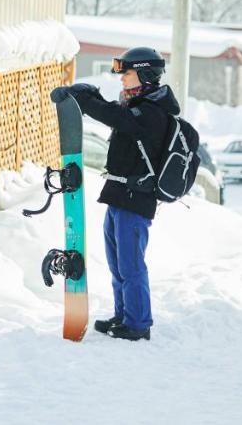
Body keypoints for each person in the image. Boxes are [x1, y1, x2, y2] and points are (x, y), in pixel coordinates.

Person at [63, 46, 179, 341]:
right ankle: (123, 315)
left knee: (131, 265)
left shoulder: (153, 112)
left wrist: (87, 101)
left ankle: (138, 324)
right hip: (119, 194)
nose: (122, 79)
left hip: (136, 198)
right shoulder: (137, 106)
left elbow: (118, 118)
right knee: (117, 264)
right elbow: (117, 114)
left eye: (126, 73)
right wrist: (93, 97)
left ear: (144, 75)